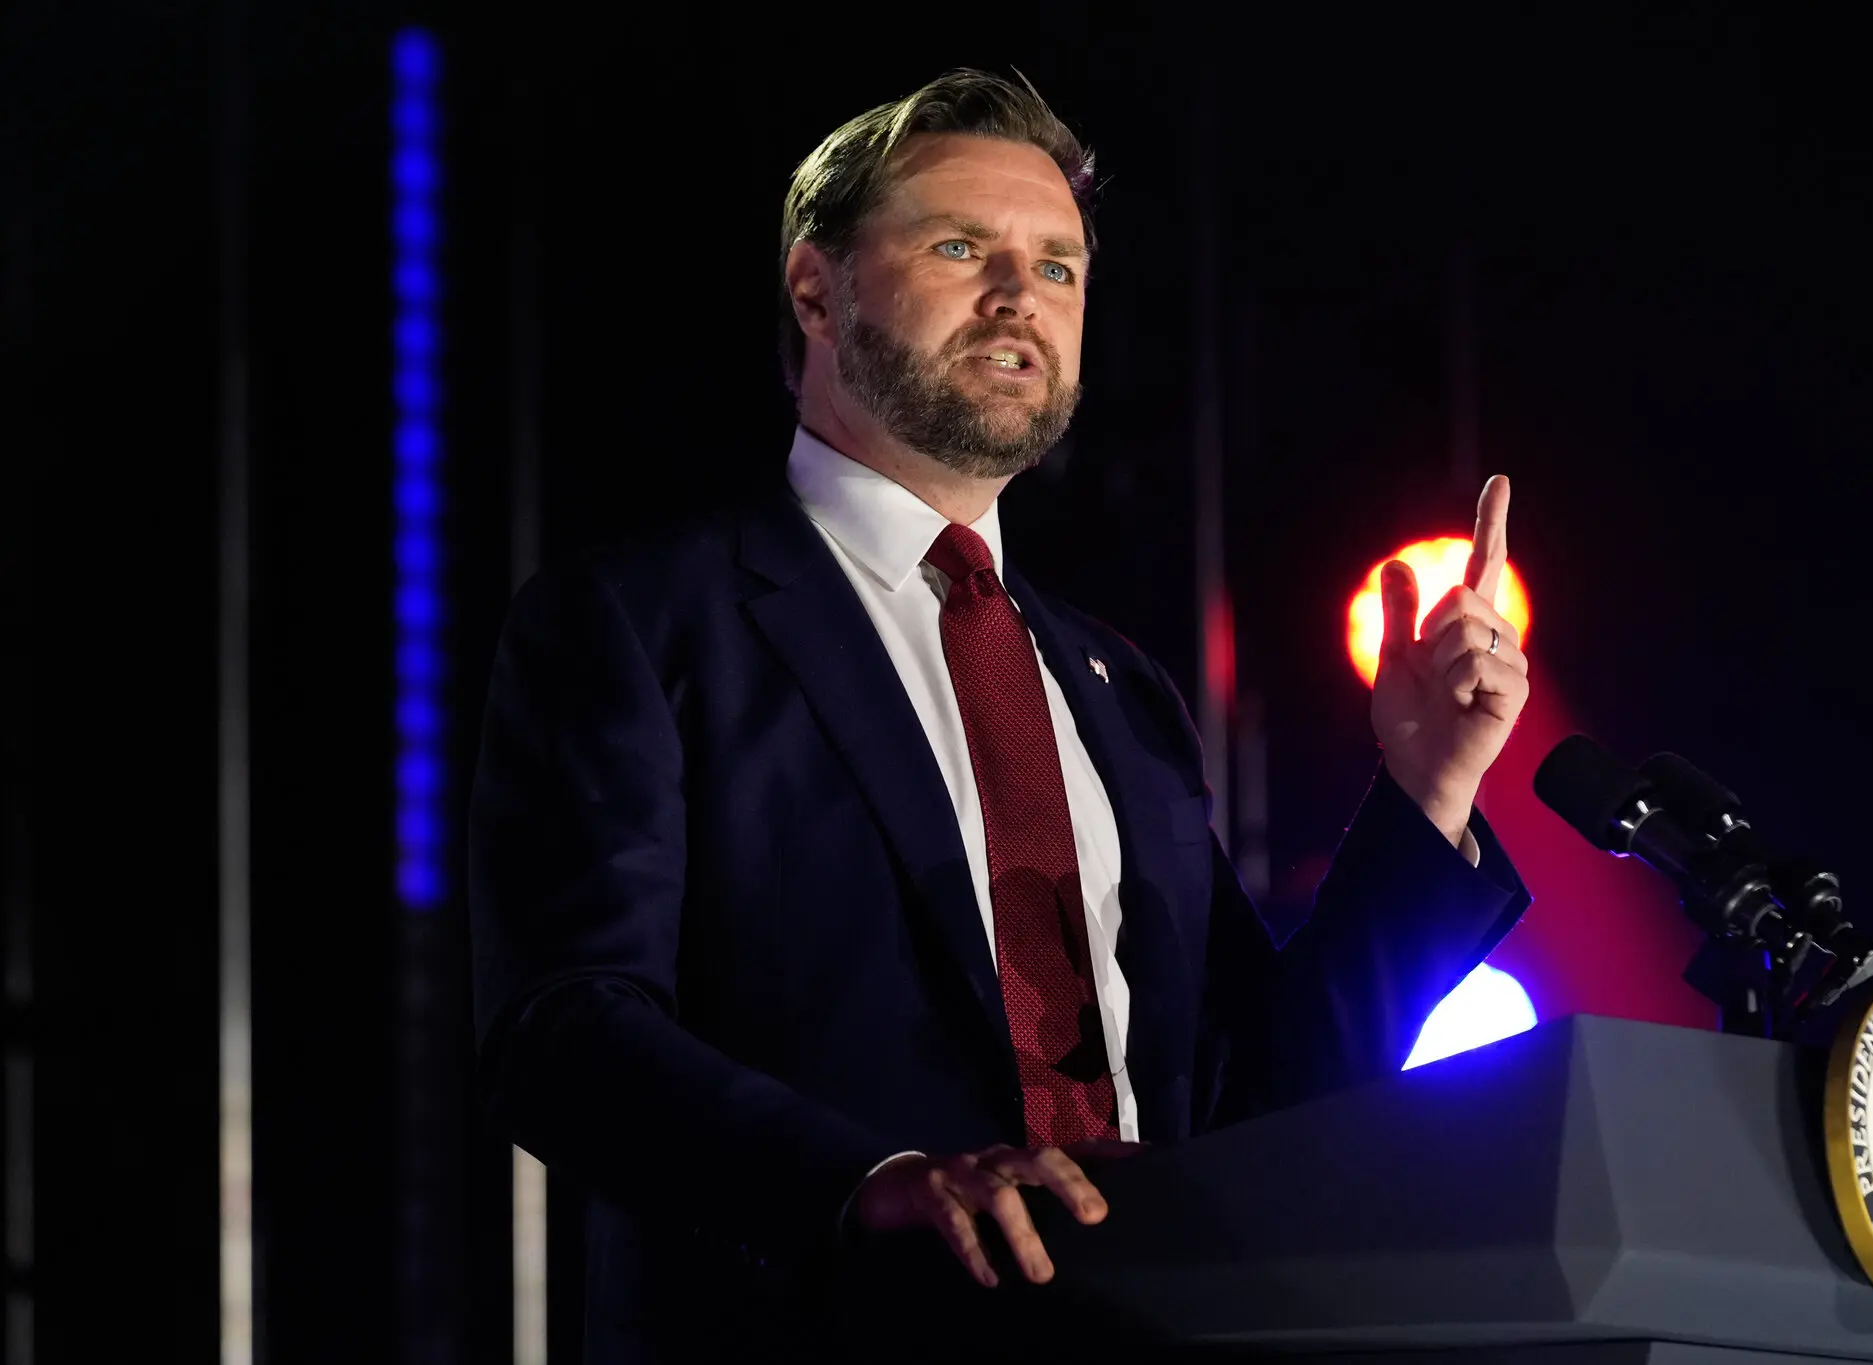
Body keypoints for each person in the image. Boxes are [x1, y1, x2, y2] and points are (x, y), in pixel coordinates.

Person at [469, 68, 1533, 1361]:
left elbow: (1265, 1101)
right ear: (816, 290)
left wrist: (1425, 798)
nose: (1020, 296)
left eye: (1060, 267)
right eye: (961, 247)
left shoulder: (1116, 688)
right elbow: (564, 1035)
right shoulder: (644, 622)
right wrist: (868, 1187)